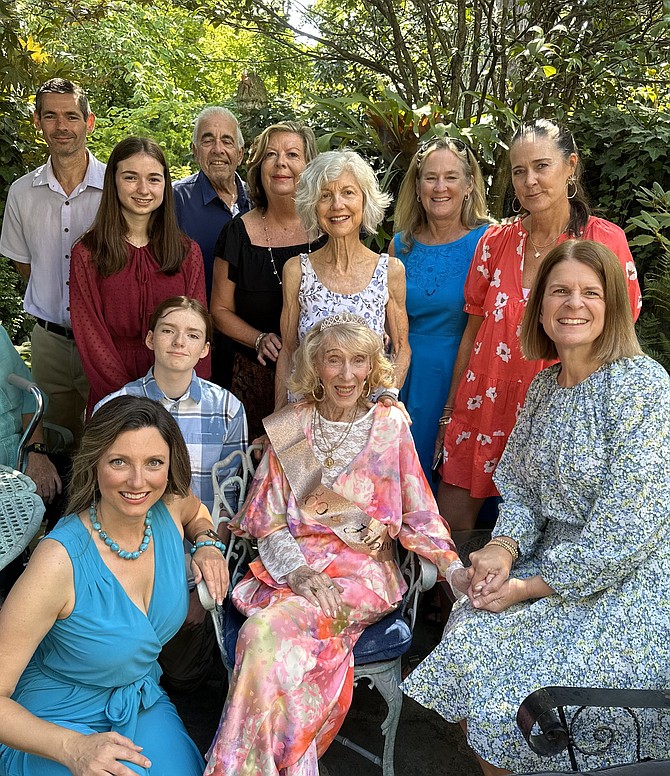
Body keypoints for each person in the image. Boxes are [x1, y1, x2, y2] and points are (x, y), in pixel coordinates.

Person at [402, 240, 670, 774]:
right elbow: (522, 488)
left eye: (590, 293)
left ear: (612, 304)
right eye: (560, 291)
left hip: (628, 590)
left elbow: (628, 534)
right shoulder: (547, 385)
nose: (574, 304)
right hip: (552, 568)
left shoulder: (644, 386)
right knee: (471, 631)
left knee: (521, 689)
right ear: (541, 306)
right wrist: (502, 548)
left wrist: (525, 586)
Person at [204, 313, 468, 775]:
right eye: (334, 361)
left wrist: (452, 569)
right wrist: (298, 572)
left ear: (372, 367)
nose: (347, 375)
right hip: (294, 572)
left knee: (262, 636)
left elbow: (421, 512)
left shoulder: (389, 425)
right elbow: (267, 523)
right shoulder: (292, 426)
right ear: (316, 367)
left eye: (359, 361)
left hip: (361, 577)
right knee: (266, 643)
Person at [0, 395, 229, 775]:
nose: (139, 482)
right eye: (119, 462)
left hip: (137, 699)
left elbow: (195, 511)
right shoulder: (58, 563)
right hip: (55, 720)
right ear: (95, 462)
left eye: (154, 463)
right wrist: (73, 748)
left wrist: (206, 543)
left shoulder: (168, 506)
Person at [435, 119, 641, 537]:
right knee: (447, 528)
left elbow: (620, 337)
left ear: (571, 167)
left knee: (542, 537)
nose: (529, 181)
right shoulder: (494, 242)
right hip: (485, 402)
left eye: (541, 166)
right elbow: (473, 334)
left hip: (561, 408)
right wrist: (449, 411)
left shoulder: (604, 242)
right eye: (518, 170)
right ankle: (450, 604)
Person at [96, 296, 247, 692]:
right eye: (168, 330)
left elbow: (230, 503)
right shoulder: (115, 407)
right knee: (118, 669)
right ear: (149, 339)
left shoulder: (227, 410)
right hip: (124, 568)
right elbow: (97, 501)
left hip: (190, 568)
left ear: (205, 349)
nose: (179, 342)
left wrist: (203, 588)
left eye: (192, 335)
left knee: (182, 675)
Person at [0, 78, 104, 448]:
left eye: (71, 116)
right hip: (49, 344)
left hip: (105, 339)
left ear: (88, 122)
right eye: (51, 116)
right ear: (37, 122)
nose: (62, 126)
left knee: (106, 443)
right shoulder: (21, 193)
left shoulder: (116, 187)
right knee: (53, 447)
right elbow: (23, 264)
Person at [70, 136, 209, 412]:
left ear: (165, 185)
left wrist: (191, 396)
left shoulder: (186, 253)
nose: (143, 189)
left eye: (154, 179)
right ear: (113, 181)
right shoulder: (88, 253)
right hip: (112, 390)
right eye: (131, 177)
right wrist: (128, 400)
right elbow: (90, 336)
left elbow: (198, 331)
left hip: (176, 393)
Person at [210, 122, 326, 440]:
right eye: (271, 154)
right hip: (250, 379)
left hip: (322, 383)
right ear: (259, 166)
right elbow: (218, 309)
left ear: (309, 165)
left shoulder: (330, 227)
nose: (281, 163)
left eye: (292, 154)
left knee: (316, 484)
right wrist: (258, 338)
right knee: (256, 481)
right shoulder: (237, 233)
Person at [389, 137, 492, 485]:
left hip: (464, 372)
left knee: (453, 480)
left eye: (451, 177)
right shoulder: (400, 244)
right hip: (408, 377)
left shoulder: (488, 240)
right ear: (417, 188)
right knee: (404, 479)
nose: (440, 187)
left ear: (469, 184)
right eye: (430, 177)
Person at [276, 150, 410, 409]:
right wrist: (279, 423)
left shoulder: (389, 270)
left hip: (367, 414)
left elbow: (402, 348)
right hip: (306, 414)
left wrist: (389, 394)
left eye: (348, 192)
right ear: (313, 206)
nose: (337, 205)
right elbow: (288, 353)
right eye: (325, 195)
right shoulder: (297, 270)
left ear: (364, 200)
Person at [173, 107, 251, 388]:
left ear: (240, 153)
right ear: (195, 150)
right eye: (208, 140)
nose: (218, 149)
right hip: (195, 346)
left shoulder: (258, 201)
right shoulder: (175, 201)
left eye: (227, 141)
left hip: (254, 345)